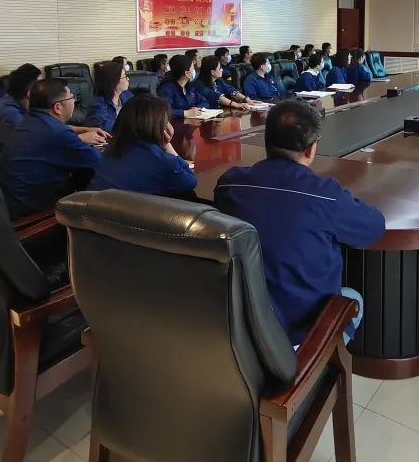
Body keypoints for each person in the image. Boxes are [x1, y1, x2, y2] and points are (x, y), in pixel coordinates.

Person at [215, 100, 385, 345]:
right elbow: (374, 227)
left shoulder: (229, 184)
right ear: (311, 149)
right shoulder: (325, 195)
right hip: (297, 339)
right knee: (353, 298)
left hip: (237, 326)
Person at [0, 79, 100, 219]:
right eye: (71, 97)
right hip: (32, 214)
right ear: (58, 107)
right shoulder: (57, 132)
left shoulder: (30, 120)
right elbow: (98, 162)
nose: (74, 101)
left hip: (9, 205)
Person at [88, 94, 198, 196]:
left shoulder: (108, 152)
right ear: (160, 127)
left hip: (92, 208)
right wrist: (167, 145)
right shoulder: (160, 160)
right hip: (129, 210)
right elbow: (190, 181)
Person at [0, 63, 42, 174]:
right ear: (30, 92)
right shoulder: (9, 114)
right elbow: (35, 145)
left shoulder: (14, 100)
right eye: (41, 86)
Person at [83, 60, 133, 133]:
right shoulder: (97, 104)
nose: (128, 79)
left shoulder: (126, 95)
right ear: (114, 81)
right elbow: (103, 127)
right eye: (124, 77)